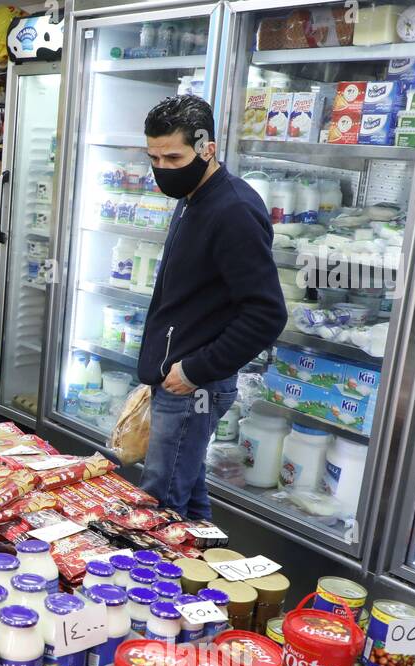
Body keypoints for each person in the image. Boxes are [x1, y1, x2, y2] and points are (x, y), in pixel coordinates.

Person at [136, 95, 287, 520]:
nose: (162, 169)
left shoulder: (233, 209)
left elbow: (266, 314)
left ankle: (157, 583)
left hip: (193, 388)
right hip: (175, 378)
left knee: (160, 505)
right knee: (188, 493)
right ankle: (205, 579)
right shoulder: (193, 197)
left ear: (208, 149)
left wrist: (194, 371)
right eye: (154, 158)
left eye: (173, 157)